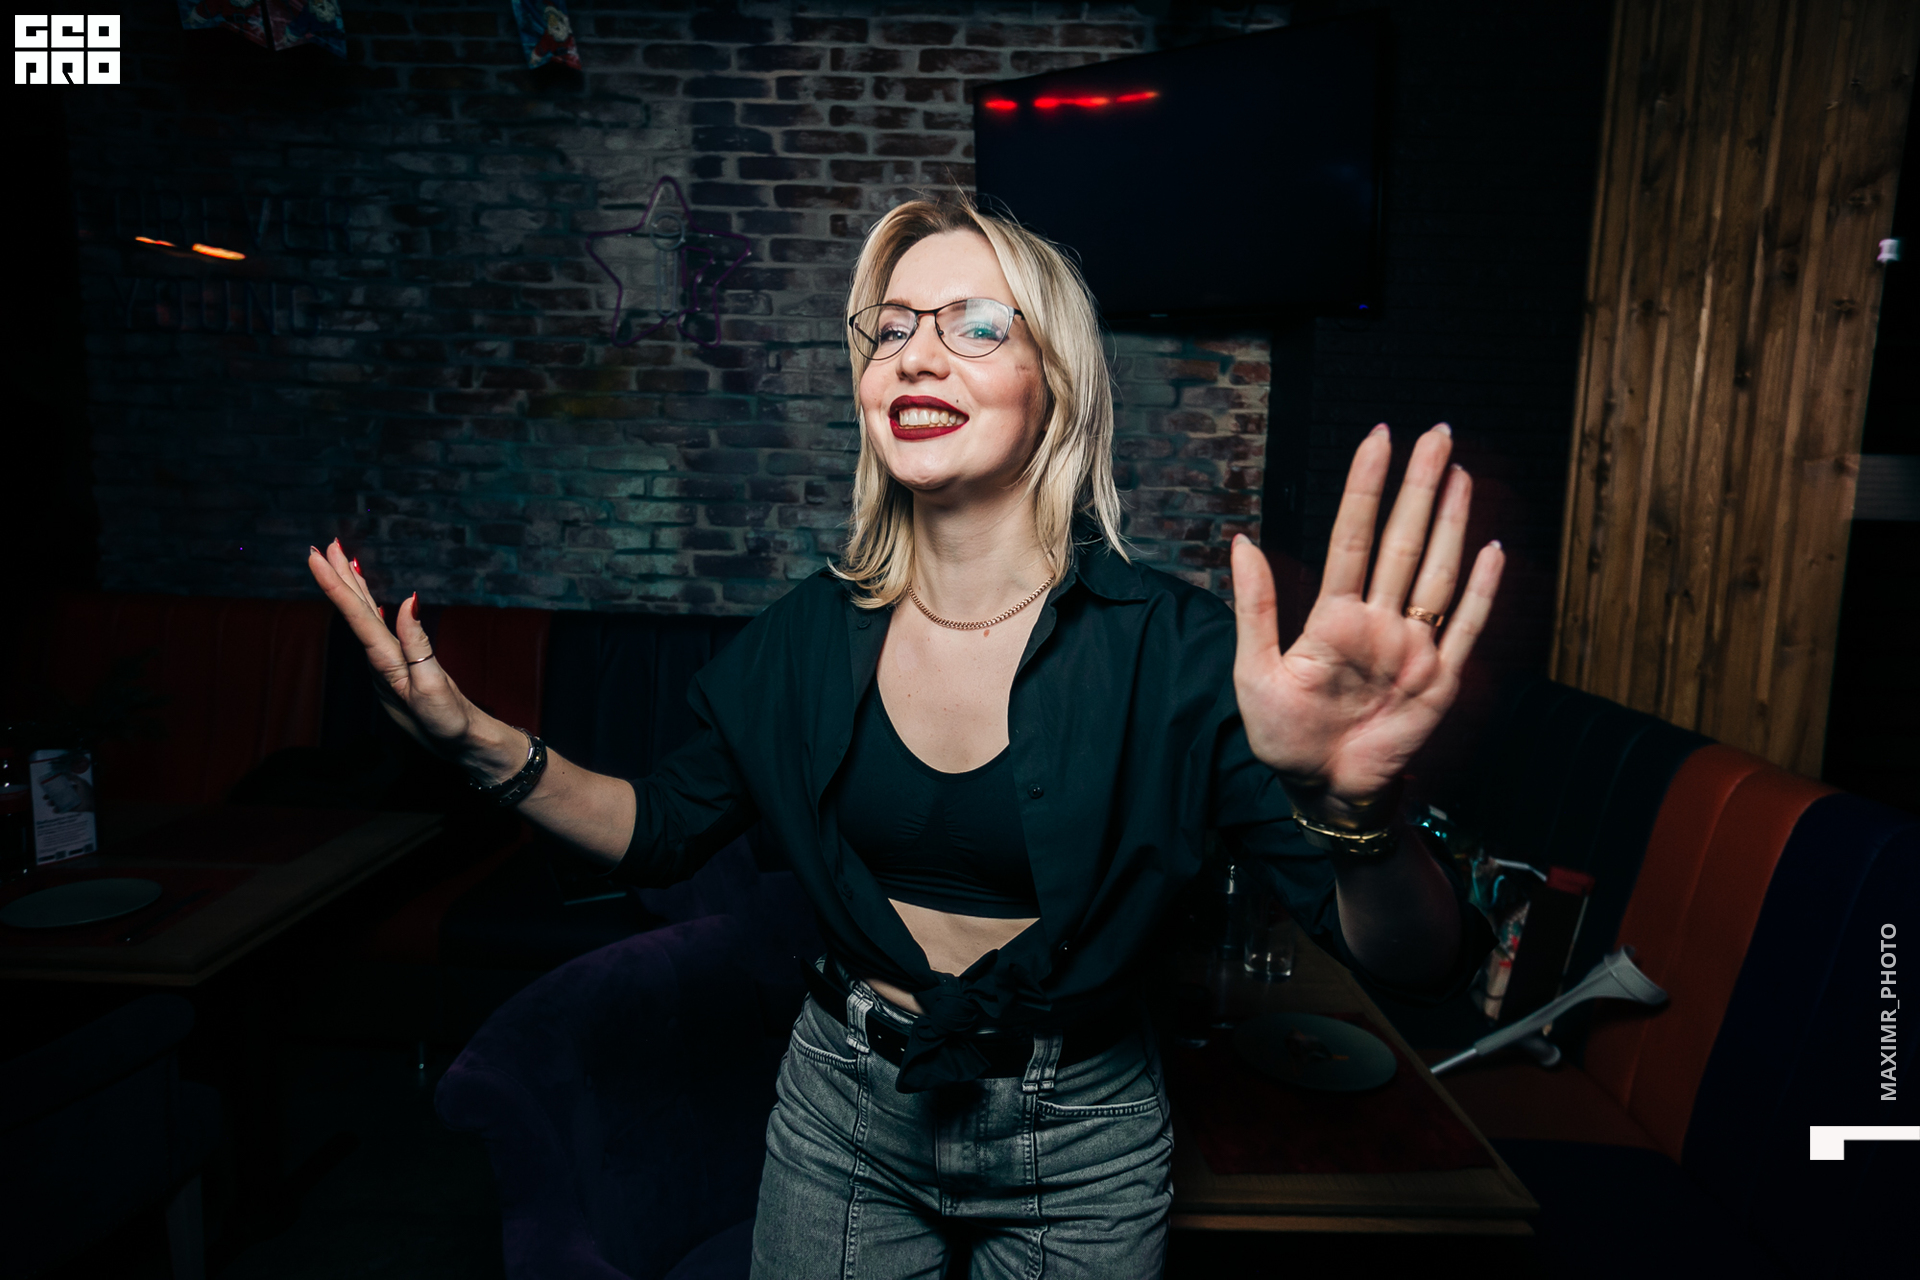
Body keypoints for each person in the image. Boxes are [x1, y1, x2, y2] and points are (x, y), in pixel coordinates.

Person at [306, 196, 1503, 1279]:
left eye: (976, 324)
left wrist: (1358, 813)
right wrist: (475, 739)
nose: (917, 352)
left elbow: (1412, 959)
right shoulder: (803, 639)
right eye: (890, 328)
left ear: (1057, 384)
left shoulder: (1180, 653)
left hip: (1086, 1129)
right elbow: (657, 825)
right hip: (842, 1106)